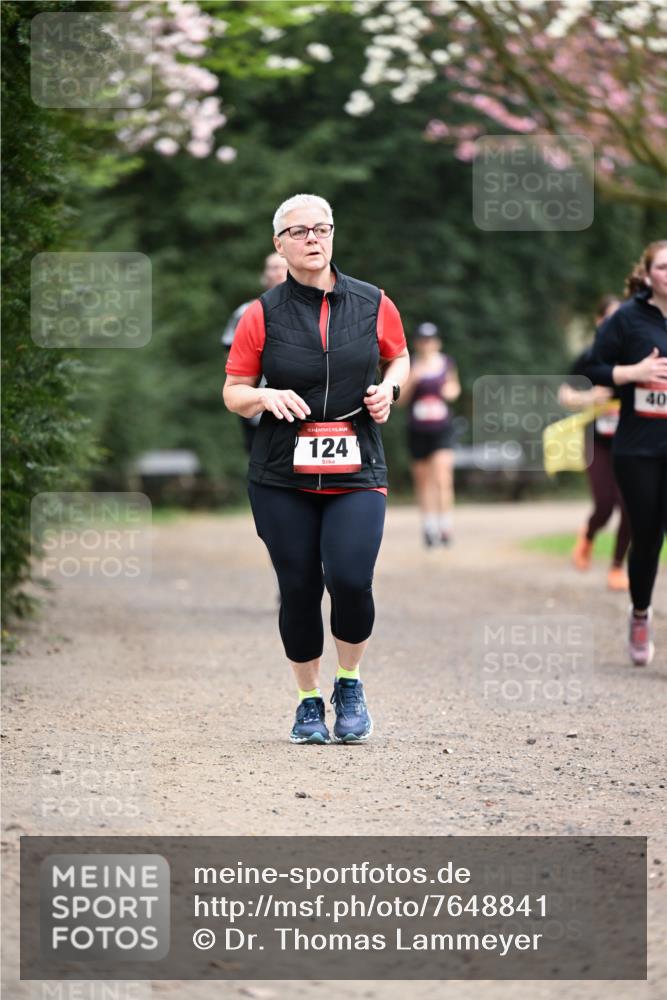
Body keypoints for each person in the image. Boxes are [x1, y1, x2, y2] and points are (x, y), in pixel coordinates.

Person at [222, 194, 409, 743]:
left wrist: (389, 389)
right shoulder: (261, 313)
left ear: (332, 236)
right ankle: (308, 702)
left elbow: (399, 357)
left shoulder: (373, 302)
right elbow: (233, 391)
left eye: (321, 229)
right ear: (279, 245)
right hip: (282, 473)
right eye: (299, 232)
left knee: (350, 579)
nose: (312, 239)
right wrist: (264, 396)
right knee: (299, 586)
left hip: (357, 465)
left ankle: (349, 683)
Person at [592, 240, 667, 665]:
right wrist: (634, 372)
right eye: (663, 266)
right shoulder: (626, 318)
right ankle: (640, 613)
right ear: (648, 273)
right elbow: (592, 368)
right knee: (648, 537)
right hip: (638, 449)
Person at [559, 295, 631, 591]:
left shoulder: (638, 356)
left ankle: (617, 566)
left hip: (631, 441)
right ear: (599, 321)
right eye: (610, 318)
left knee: (630, 506)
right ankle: (588, 536)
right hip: (597, 441)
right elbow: (565, 395)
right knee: (604, 505)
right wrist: (590, 397)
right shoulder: (590, 357)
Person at [399, 322, 461, 546]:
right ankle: (429, 527)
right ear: (417, 343)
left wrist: (449, 391)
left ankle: (445, 526)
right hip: (418, 430)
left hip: (441, 429)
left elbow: (454, 388)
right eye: (423, 340)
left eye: (431, 340)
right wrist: (413, 379)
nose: (427, 344)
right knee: (423, 480)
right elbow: (400, 400)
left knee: (443, 478)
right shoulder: (409, 365)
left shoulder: (446, 363)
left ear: (437, 342)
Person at [221, 253, 288, 453]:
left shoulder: (316, 309)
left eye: (283, 267)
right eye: (273, 267)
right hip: (259, 404)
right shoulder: (247, 312)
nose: (279, 272)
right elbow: (230, 355)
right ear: (264, 275)